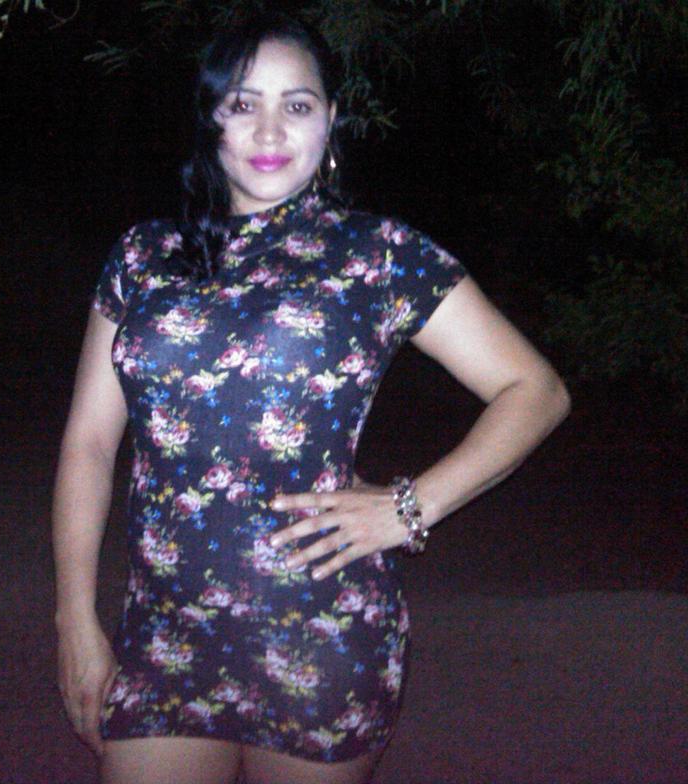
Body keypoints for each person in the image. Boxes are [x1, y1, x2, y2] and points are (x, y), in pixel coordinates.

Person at [52, 11, 571, 784]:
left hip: (322, 635)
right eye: (242, 103)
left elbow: (535, 390)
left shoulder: (377, 255)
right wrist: (74, 618)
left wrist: (408, 508)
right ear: (211, 118)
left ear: (330, 120)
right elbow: (90, 444)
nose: (269, 129)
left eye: (296, 105)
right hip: (163, 636)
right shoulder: (143, 256)